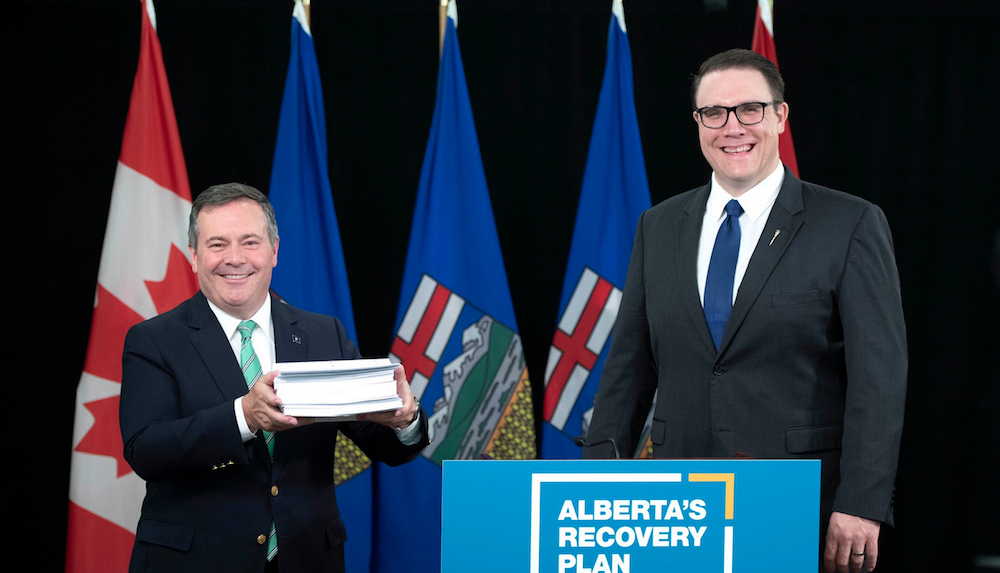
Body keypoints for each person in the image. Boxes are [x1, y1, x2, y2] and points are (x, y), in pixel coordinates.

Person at [583, 49, 906, 573]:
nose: (731, 127)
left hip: (801, 506)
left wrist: (862, 503)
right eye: (714, 113)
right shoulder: (658, 227)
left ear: (780, 115)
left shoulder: (849, 224)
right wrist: (595, 490)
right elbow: (627, 369)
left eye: (749, 109)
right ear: (698, 123)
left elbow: (880, 380)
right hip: (674, 510)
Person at [120, 182, 428, 573]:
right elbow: (146, 450)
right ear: (194, 256)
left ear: (274, 251)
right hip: (195, 561)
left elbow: (384, 443)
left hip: (307, 559)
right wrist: (242, 418)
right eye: (217, 245)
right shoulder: (153, 340)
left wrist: (406, 419)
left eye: (250, 242)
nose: (235, 258)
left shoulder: (323, 334)